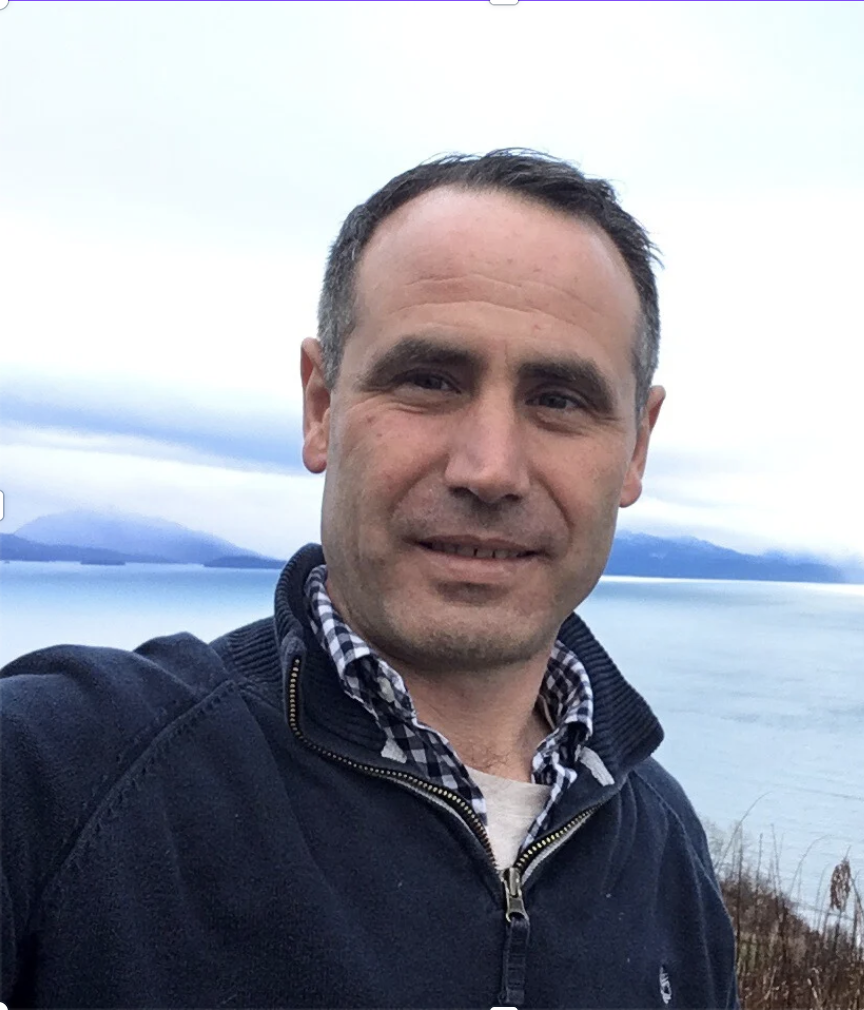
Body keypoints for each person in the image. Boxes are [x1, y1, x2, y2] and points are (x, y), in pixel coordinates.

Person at [1, 149, 739, 1009]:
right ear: (321, 406)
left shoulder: (666, 849)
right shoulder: (65, 773)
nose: (490, 469)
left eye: (559, 399)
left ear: (637, 448)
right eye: (428, 381)